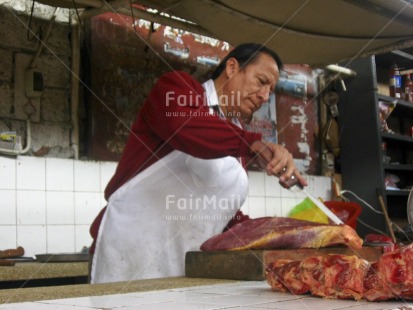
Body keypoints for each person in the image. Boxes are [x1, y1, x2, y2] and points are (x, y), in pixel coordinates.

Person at [89, 43, 308, 283]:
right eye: (261, 81)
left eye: (271, 90)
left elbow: (218, 212)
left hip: (186, 270)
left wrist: (271, 232)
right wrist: (254, 143)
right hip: (131, 258)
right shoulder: (177, 90)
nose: (265, 96)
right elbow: (182, 126)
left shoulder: (236, 140)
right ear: (233, 67)